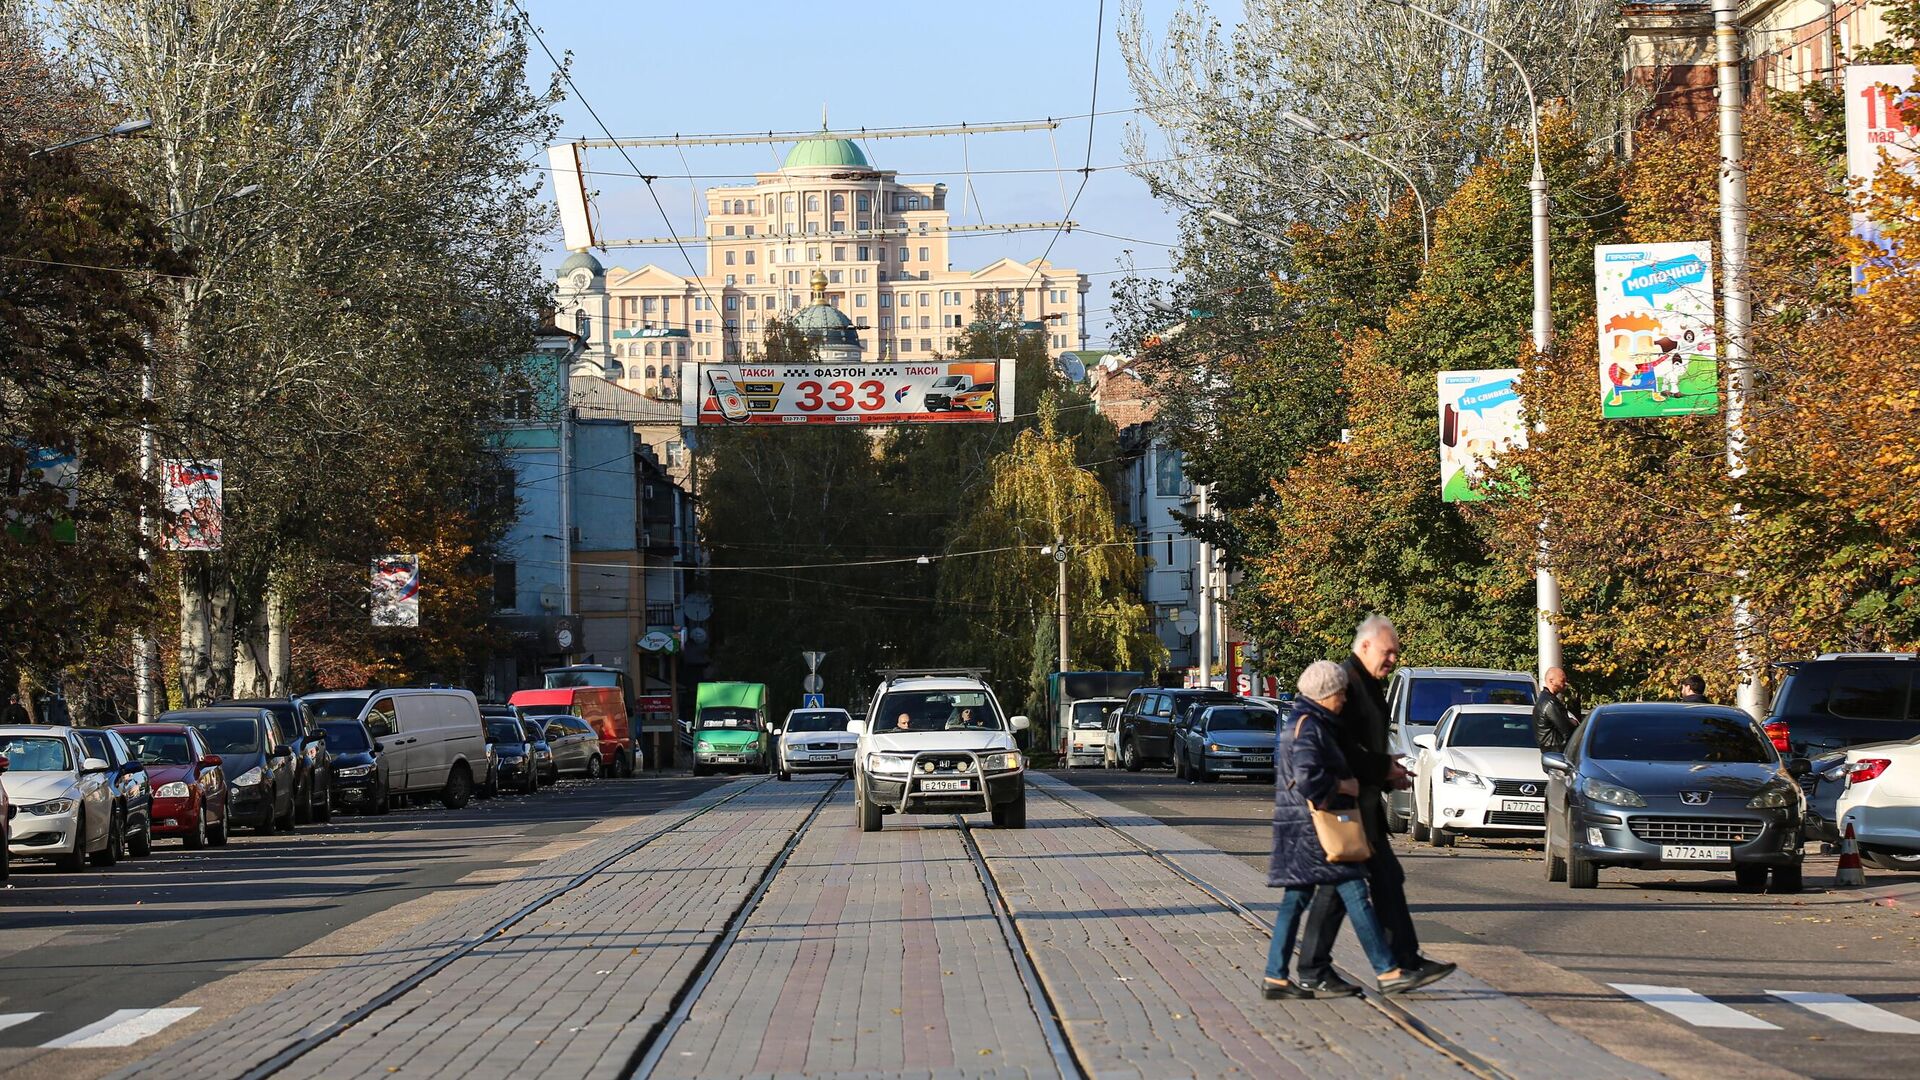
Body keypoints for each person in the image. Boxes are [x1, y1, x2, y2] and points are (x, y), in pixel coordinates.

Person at [1265, 661, 1447, 998]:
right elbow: (1308, 779)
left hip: (1306, 831)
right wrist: (1345, 785)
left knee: (1295, 900)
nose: (1345, 700)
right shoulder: (1309, 726)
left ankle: (1275, 977)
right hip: (1318, 832)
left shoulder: (1310, 722)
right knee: (1355, 893)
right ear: (1327, 694)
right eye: (1341, 693)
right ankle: (1388, 971)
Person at [1533, 666, 1579, 753]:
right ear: (1551, 681)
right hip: (1556, 753)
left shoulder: (1544, 699)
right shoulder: (1550, 703)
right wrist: (1573, 723)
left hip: (1552, 752)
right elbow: (1567, 729)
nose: (1565, 684)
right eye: (1562, 680)